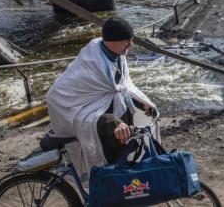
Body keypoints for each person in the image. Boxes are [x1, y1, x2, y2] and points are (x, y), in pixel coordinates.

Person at [46, 17, 157, 179]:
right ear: (111, 42)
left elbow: (122, 87)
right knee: (110, 175)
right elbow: (79, 107)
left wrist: (141, 103)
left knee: (127, 168)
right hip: (102, 128)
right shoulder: (89, 65)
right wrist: (114, 123)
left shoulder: (118, 55)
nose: (131, 45)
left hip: (117, 125)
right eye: (127, 41)